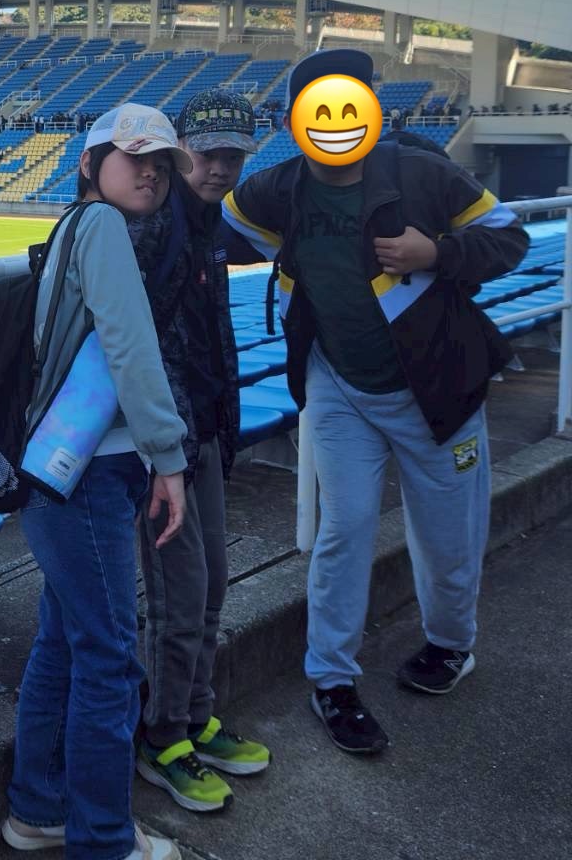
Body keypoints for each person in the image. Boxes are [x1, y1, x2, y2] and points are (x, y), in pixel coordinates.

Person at [220, 49, 529, 755]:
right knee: (344, 528)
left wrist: (437, 254)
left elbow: (507, 236)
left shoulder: (421, 173)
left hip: (439, 390)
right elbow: (215, 229)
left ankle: (450, 645)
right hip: (340, 387)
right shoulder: (279, 187)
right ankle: (330, 677)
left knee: (449, 537)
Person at [3, 103, 187, 860]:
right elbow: (129, 343)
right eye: (134, 157)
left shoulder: (74, 227)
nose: (151, 173)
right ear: (89, 163)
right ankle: (104, 840)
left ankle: (38, 809)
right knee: (110, 657)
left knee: (64, 642)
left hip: (61, 472)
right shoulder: (104, 226)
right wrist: (168, 457)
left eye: (162, 163)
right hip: (91, 473)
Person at [129, 91, 270, 812]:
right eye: (208, 153)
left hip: (206, 430)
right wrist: (167, 453)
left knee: (210, 587)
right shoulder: (152, 226)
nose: (219, 167)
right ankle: (162, 737)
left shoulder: (209, 223)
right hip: (167, 450)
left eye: (232, 156)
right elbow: (139, 349)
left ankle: (193, 716)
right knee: (179, 598)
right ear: (181, 149)